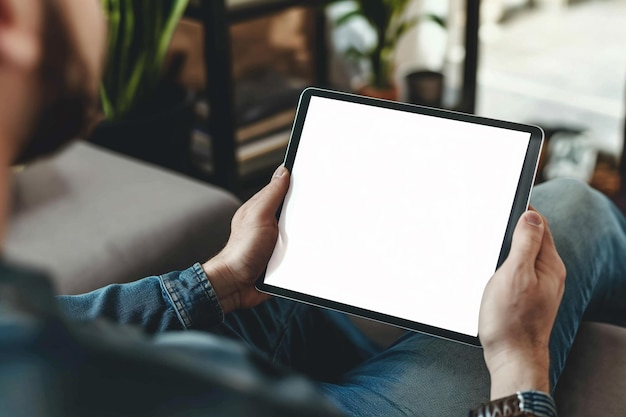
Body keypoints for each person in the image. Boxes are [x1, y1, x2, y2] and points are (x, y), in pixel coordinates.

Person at [0, 1, 625, 416]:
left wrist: (215, 281)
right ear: (14, 21)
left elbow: (60, 322)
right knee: (573, 206)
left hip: (182, 349)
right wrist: (520, 360)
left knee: (297, 279)